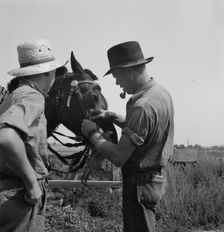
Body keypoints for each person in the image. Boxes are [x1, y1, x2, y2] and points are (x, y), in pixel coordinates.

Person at [81, 41, 174, 232]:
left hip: (139, 184)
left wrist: (92, 133)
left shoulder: (142, 107)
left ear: (128, 71)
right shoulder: (160, 94)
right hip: (152, 182)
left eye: (116, 76)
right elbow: (145, 131)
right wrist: (112, 116)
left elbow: (118, 156)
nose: (117, 83)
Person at [0, 39, 65, 232]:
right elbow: (6, 137)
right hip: (18, 194)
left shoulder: (13, 95)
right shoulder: (32, 96)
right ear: (48, 72)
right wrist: (31, 184)